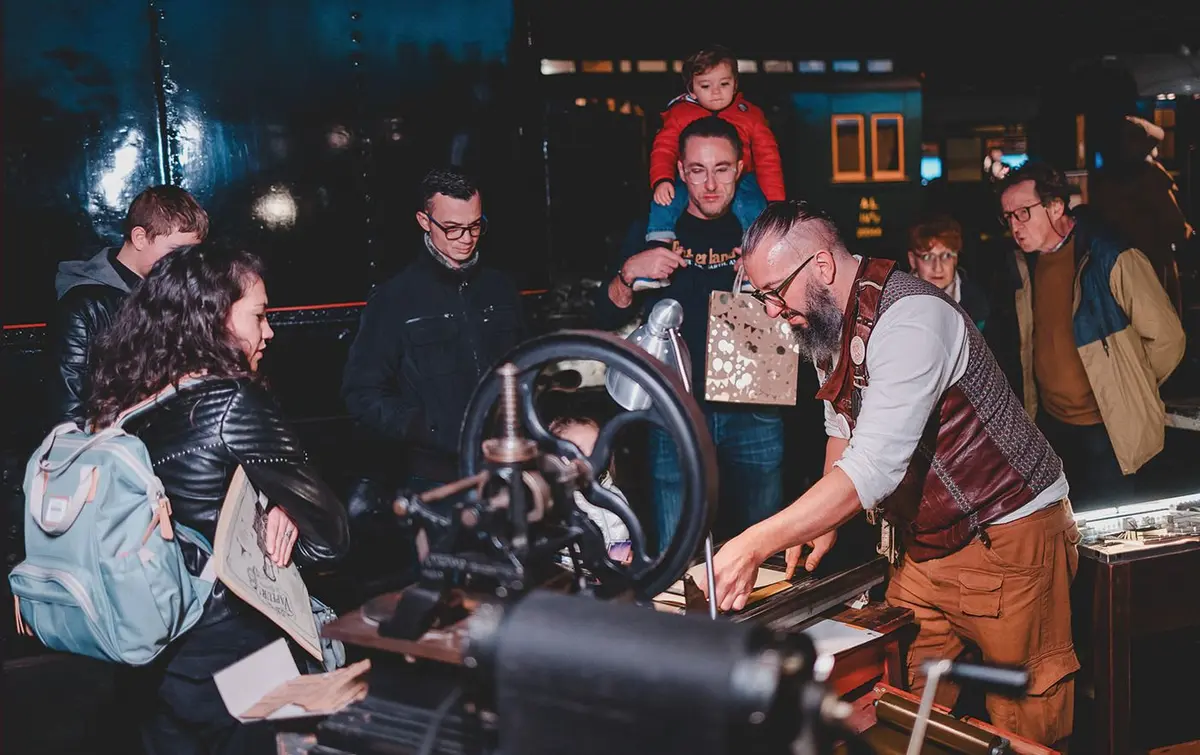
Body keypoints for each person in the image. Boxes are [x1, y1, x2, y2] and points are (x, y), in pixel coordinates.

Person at [707, 200, 1078, 748]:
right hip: (926, 546)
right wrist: (819, 523)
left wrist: (752, 544)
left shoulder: (911, 320)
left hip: (1008, 537)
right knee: (902, 711)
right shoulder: (825, 315)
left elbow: (874, 467)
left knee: (1022, 724)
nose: (768, 312)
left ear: (822, 267)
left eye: (771, 293)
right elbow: (843, 424)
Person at [86, 246, 350, 754]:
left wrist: (275, 503)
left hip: (153, 650)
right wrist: (291, 508)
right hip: (240, 645)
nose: (269, 330)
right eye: (259, 314)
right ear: (213, 318)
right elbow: (331, 537)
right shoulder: (233, 401)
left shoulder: (126, 402)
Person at [594, 116, 784, 551]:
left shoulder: (767, 228)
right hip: (674, 410)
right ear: (680, 170)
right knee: (677, 552)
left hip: (754, 404)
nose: (710, 184)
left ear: (740, 168)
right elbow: (605, 314)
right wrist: (629, 273)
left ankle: (763, 624)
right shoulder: (653, 225)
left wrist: (769, 276)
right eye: (698, 170)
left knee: (766, 549)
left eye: (721, 169)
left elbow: (813, 308)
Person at [341, 167, 525, 584]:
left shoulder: (501, 289)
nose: (465, 238)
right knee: (446, 611)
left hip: (505, 478)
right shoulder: (394, 299)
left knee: (511, 601)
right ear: (424, 221)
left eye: (475, 226)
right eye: (452, 228)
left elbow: (526, 371)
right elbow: (361, 394)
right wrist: (426, 426)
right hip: (436, 487)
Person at [999, 161, 1185, 508]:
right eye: (1008, 217)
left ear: (1055, 206)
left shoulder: (1110, 256)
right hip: (1053, 427)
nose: (1015, 226)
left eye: (1023, 213)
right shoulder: (1028, 264)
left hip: (1107, 430)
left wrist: (1130, 386)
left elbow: (1169, 339)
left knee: (1108, 535)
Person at [49, 185, 208, 427]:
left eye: (191, 254)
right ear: (140, 238)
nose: (184, 264)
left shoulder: (178, 293)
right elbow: (69, 410)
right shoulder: (83, 305)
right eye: (175, 252)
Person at [644, 44, 784, 250]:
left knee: (754, 206)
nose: (716, 93)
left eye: (724, 84)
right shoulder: (680, 114)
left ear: (735, 84)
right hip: (692, 178)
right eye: (706, 86)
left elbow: (768, 159)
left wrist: (775, 200)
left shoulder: (750, 115)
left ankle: (756, 255)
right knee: (665, 200)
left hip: (742, 176)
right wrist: (662, 179)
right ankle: (658, 247)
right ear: (691, 88)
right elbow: (663, 149)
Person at [1089, 115, 1193, 318]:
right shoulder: (1152, 177)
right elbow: (1174, 226)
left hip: (1115, 271)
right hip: (1152, 266)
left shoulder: (1102, 182)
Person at [549, 415, 632, 560]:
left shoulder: (611, 494)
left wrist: (621, 555)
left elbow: (620, 532)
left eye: (594, 450)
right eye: (578, 451)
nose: (588, 458)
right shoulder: (554, 501)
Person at [907, 214, 989, 331]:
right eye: (927, 257)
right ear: (912, 260)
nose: (938, 268)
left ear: (955, 259)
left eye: (946, 255)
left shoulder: (978, 304)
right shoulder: (893, 303)